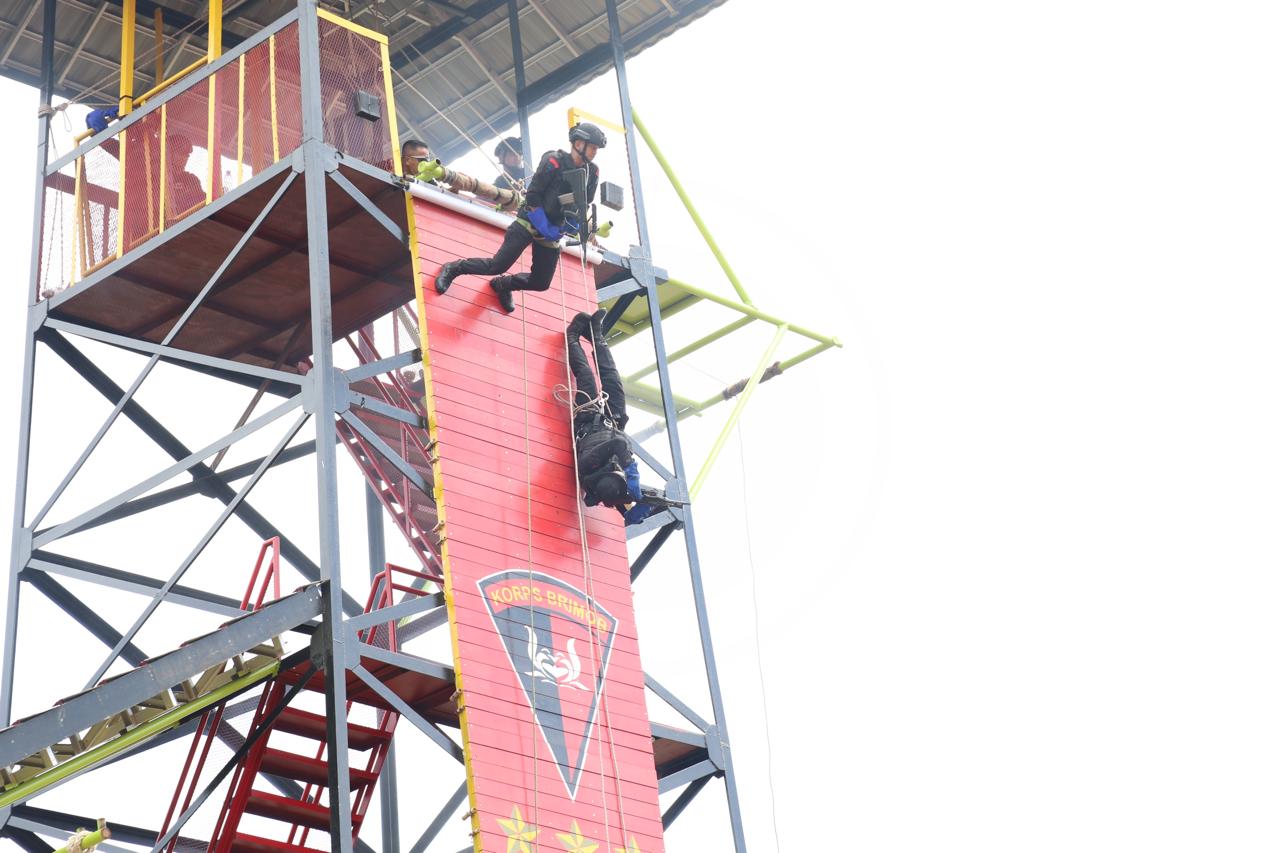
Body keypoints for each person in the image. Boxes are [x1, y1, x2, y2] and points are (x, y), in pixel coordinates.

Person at [432, 122, 607, 313]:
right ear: (579, 144)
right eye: (592, 147)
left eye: (596, 149)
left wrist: (567, 226)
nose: (595, 152)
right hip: (530, 221)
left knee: (541, 282)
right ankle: (453, 268)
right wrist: (543, 224)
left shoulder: (593, 173)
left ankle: (503, 285)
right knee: (497, 265)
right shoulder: (553, 161)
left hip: (553, 231)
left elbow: (584, 203)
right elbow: (533, 196)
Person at [564, 310, 660, 526]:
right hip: (613, 421)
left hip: (588, 418)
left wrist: (631, 473)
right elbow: (624, 496)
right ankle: (595, 334)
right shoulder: (608, 486)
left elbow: (616, 445)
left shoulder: (589, 466)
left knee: (586, 375)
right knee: (611, 376)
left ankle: (572, 337)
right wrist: (643, 505)